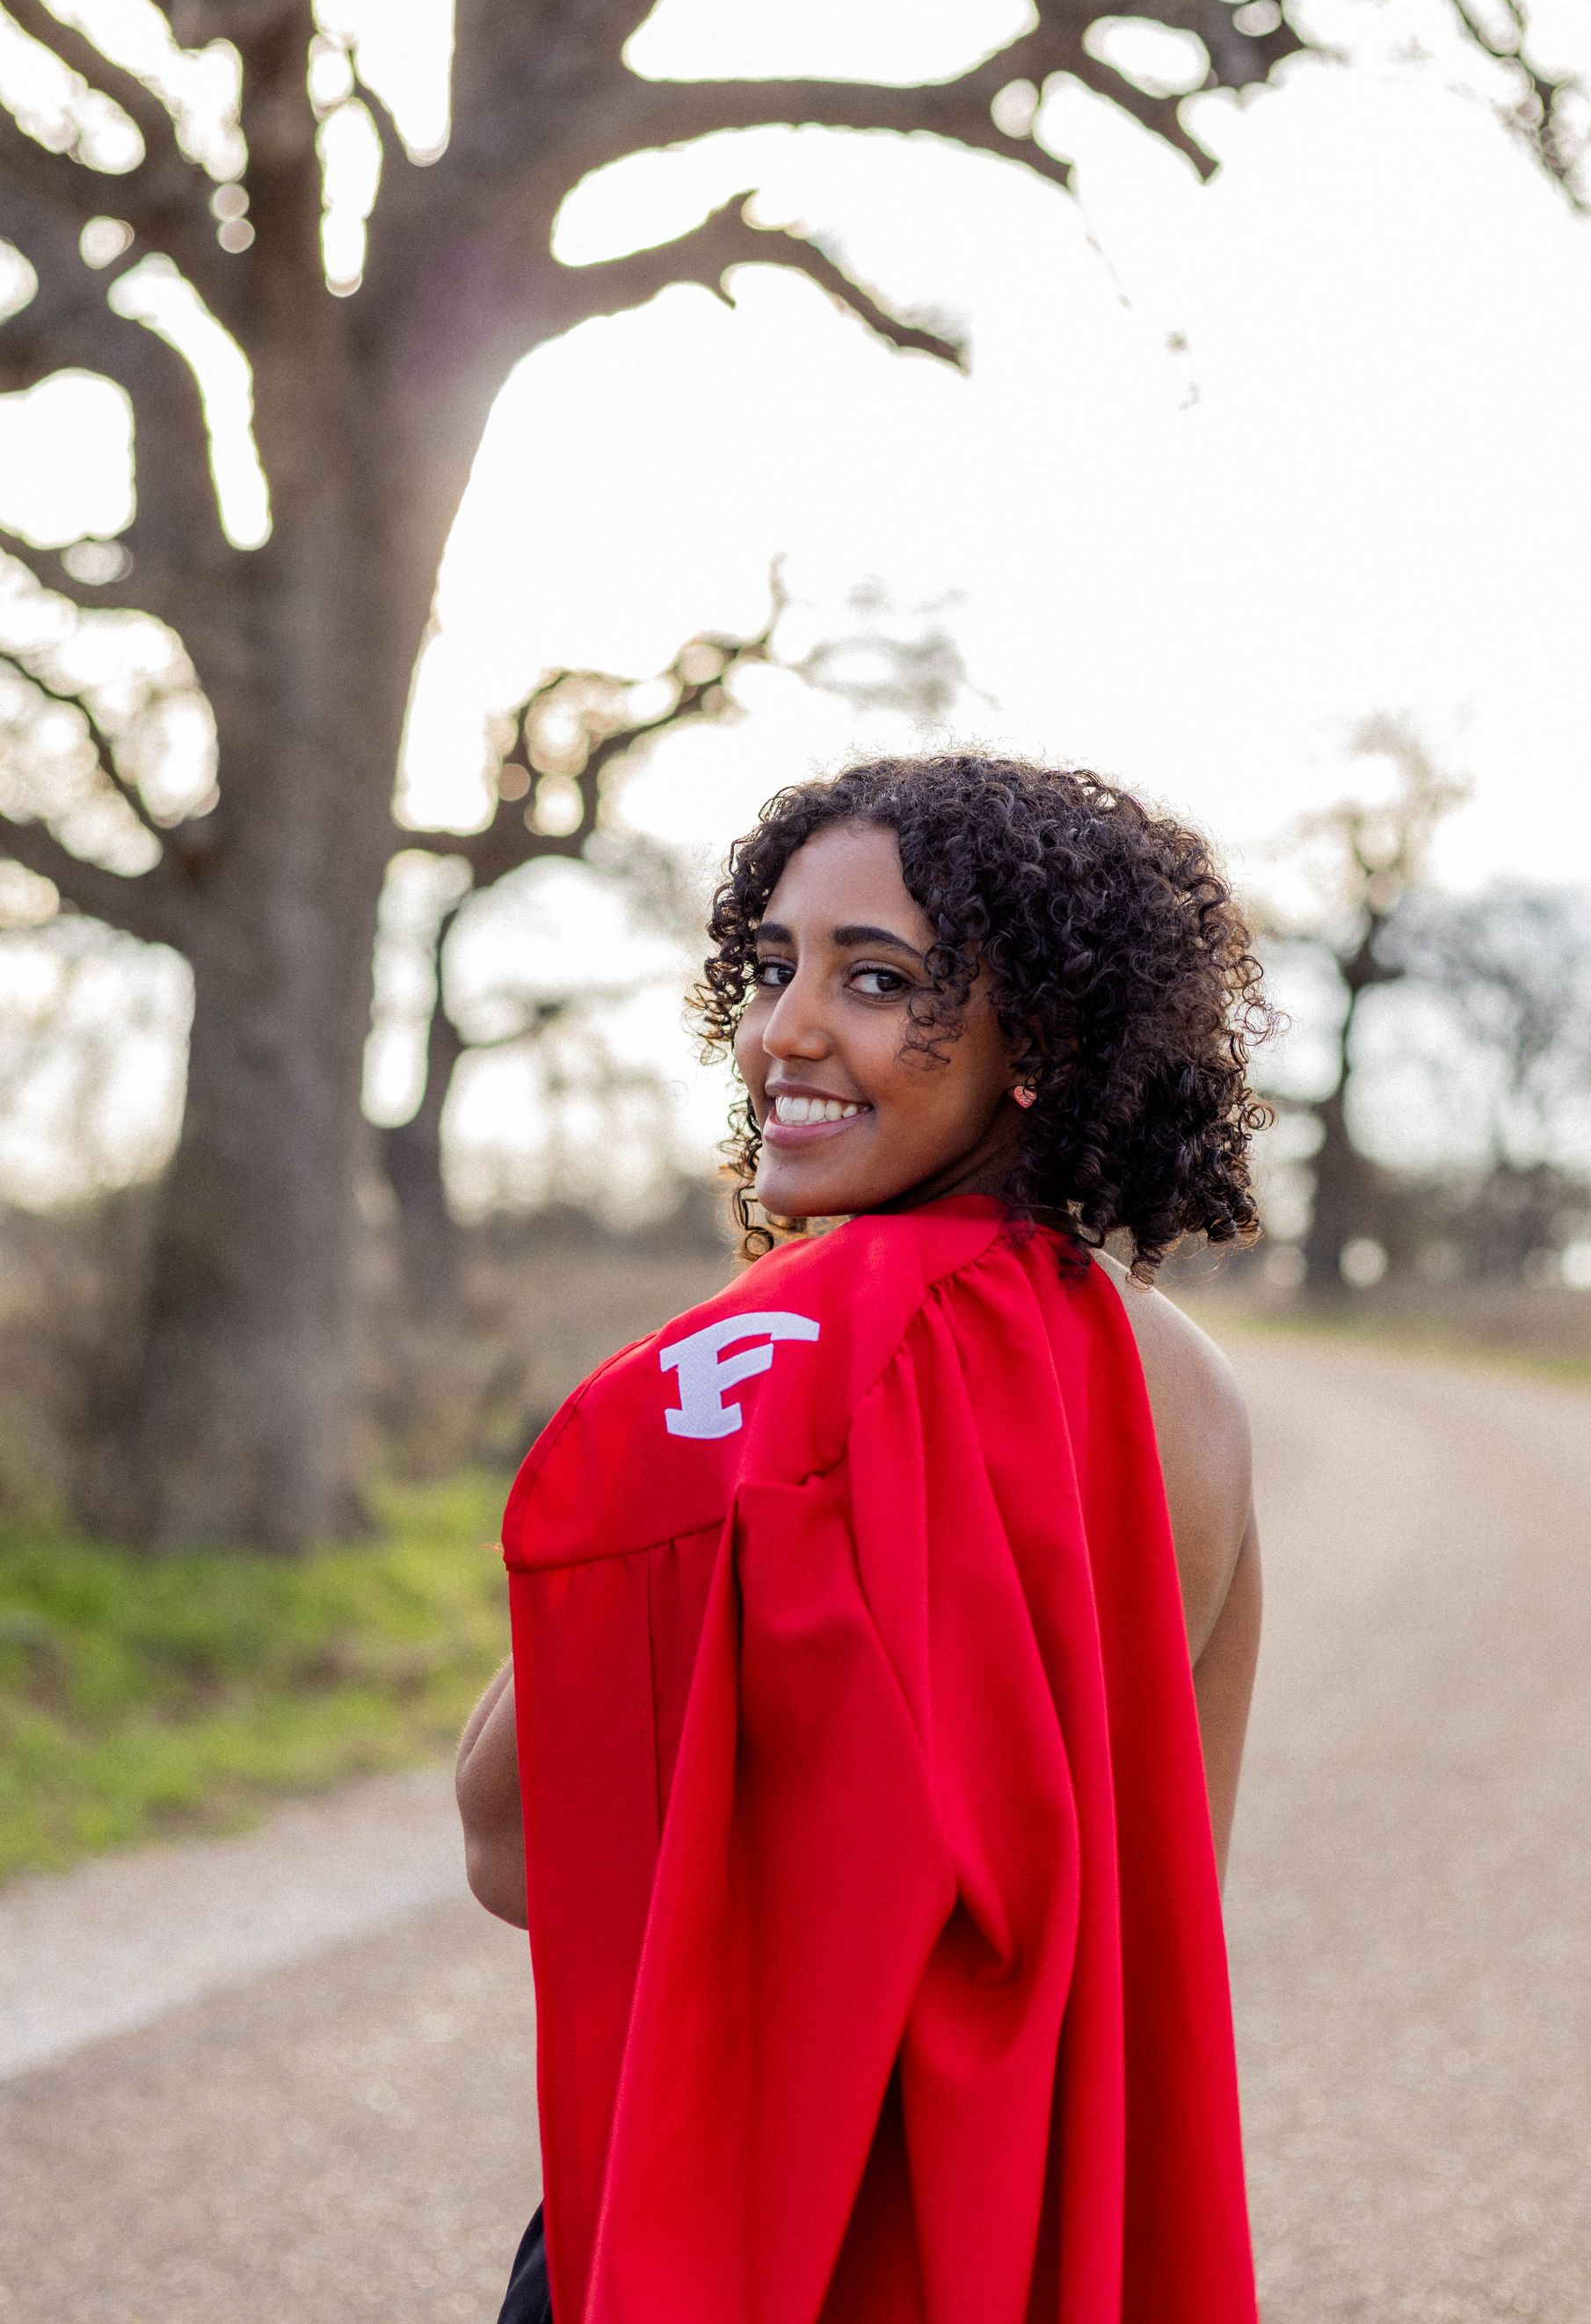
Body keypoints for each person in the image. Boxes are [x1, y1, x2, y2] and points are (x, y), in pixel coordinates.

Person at [458, 754, 1269, 2324]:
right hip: (1042, 2223)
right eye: (772, 968)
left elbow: (513, 1848)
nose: (785, 1032)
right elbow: (1161, 1900)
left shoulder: (786, 1363)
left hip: (758, 2214)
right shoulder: (1188, 1383)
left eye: (879, 980)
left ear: (1039, 1038)